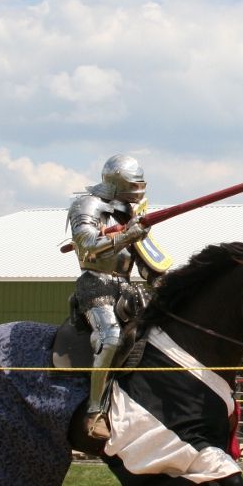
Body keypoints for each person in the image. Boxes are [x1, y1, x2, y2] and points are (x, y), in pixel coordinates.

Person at [67, 154, 151, 441]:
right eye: (132, 183)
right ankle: (94, 411)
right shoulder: (87, 204)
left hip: (129, 289)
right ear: (117, 183)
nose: (137, 189)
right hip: (96, 286)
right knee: (111, 338)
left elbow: (145, 259)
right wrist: (128, 235)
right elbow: (87, 244)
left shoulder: (129, 213)